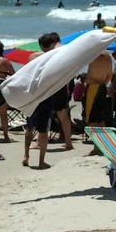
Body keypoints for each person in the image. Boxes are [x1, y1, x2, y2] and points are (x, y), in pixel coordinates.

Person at [24, 33, 73, 168]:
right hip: (52, 90)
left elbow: (28, 74)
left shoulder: (33, 57)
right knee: (57, 117)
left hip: (37, 93)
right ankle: (65, 143)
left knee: (31, 125)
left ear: (41, 45)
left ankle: (27, 155)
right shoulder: (56, 56)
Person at [83, 48, 113, 130]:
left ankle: (95, 137)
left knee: (91, 114)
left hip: (93, 86)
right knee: (99, 115)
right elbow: (110, 74)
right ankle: (103, 137)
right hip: (102, 86)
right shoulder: (108, 56)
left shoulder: (95, 54)